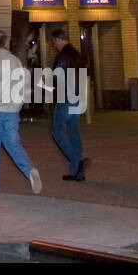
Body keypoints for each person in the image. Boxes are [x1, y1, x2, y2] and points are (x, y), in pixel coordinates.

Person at [0, 31, 42, 195]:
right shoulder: (15, 60)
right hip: (13, 110)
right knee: (13, 143)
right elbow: (24, 82)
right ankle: (29, 170)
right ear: (5, 42)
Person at [47, 29, 88, 181]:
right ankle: (76, 173)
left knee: (57, 131)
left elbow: (55, 78)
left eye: (53, 42)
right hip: (77, 97)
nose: (53, 45)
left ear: (58, 39)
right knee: (73, 132)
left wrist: (41, 85)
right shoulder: (77, 55)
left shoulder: (63, 56)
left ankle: (77, 160)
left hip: (65, 98)